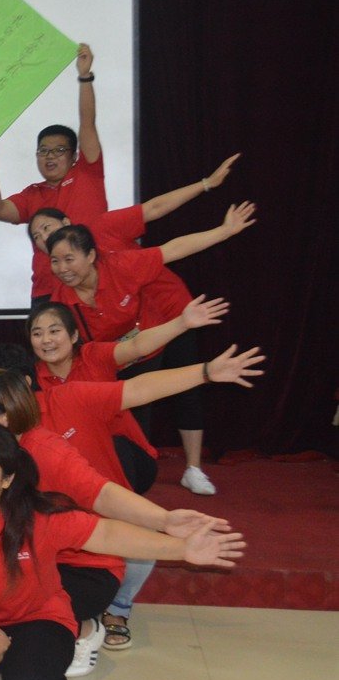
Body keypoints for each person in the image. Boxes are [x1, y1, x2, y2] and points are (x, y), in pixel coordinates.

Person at [0, 421, 244, 680]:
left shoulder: (35, 516)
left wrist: (182, 548)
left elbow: (107, 534)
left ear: (7, 479)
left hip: (38, 618)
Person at [0, 342, 264, 650]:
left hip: (98, 538)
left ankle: (99, 619)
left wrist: (205, 372)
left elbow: (136, 390)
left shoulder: (59, 419)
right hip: (40, 546)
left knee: (28, 623)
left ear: (16, 391)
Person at [46, 201, 257, 494]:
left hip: (158, 331)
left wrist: (224, 231)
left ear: (91, 255)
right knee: (131, 414)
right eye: (54, 261)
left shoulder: (121, 266)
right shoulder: (60, 302)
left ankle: (193, 469)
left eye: (69, 259)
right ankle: (126, 479)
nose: (62, 269)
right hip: (120, 356)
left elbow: (173, 249)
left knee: (186, 389)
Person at [28, 296, 229, 493]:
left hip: (127, 458)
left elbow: (136, 346)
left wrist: (181, 323)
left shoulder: (93, 356)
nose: (46, 340)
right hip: (75, 464)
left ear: (73, 336)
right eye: (37, 334)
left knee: (110, 443)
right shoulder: (31, 379)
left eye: (54, 331)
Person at [0, 43, 104, 301]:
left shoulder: (87, 173)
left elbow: (87, 123)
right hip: (47, 293)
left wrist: (84, 77)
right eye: (43, 151)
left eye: (59, 150)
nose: (50, 156)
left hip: (92, 286)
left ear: (74, 156)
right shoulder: (32, 195)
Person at [26, 152, 241, 300]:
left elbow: (154, 209)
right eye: (36, 237)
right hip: (128, 332)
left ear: (66, 222)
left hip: (167, 307)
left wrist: (207, 184)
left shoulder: (104, 229)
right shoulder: (63, 276)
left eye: (46, 228)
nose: (43, 238)